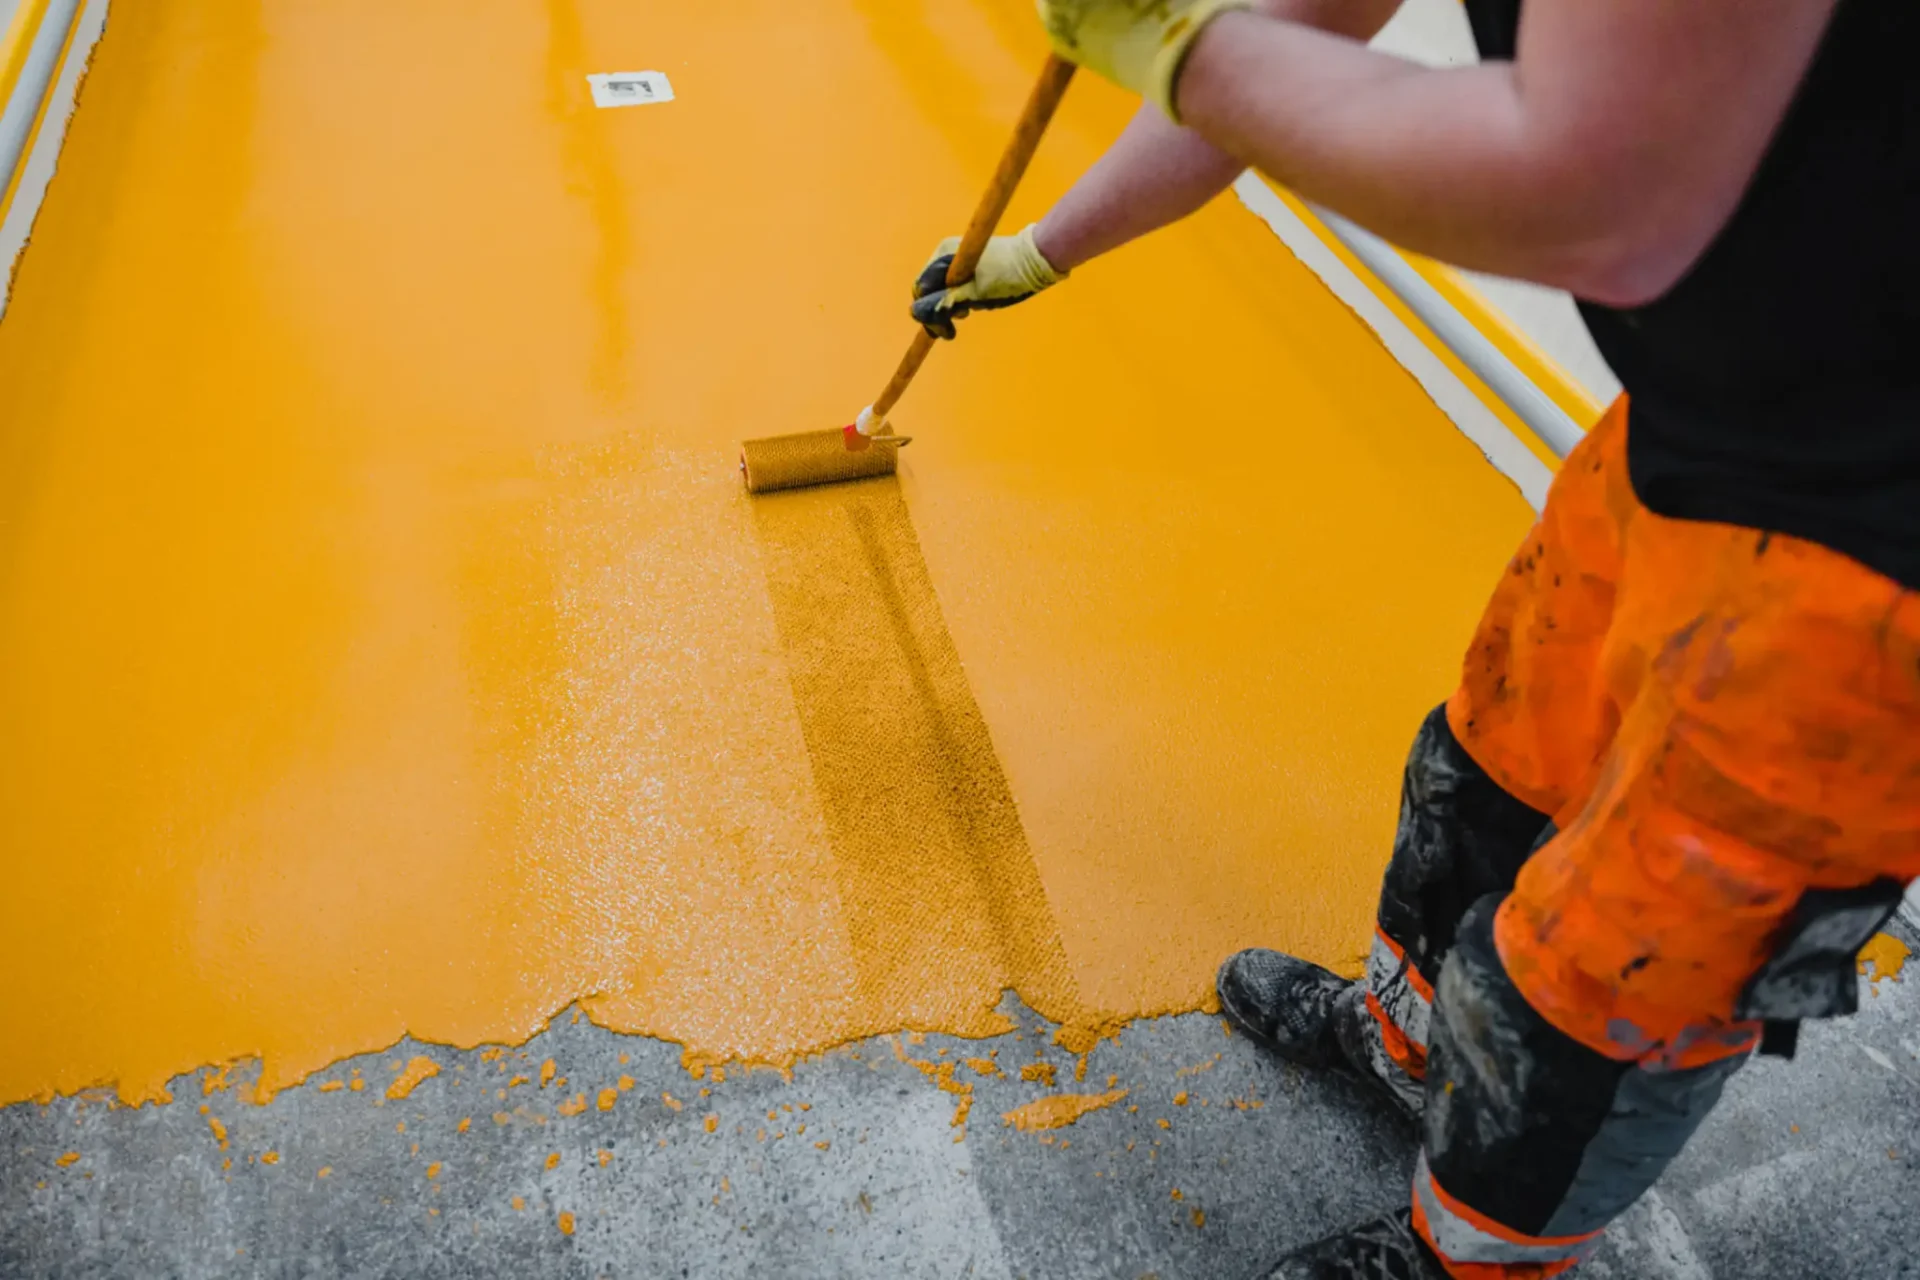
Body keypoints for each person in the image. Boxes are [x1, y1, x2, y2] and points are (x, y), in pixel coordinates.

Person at [909, 1, 1920, 1276]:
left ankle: (1471, 1258)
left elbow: (1597, 195)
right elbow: (1291, 31)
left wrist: (1187, 47)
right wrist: (1047, 248)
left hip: (1878, 547)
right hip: (1699, 409)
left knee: (1637, 958)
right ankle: (1408, 1036)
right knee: (1493, 754)